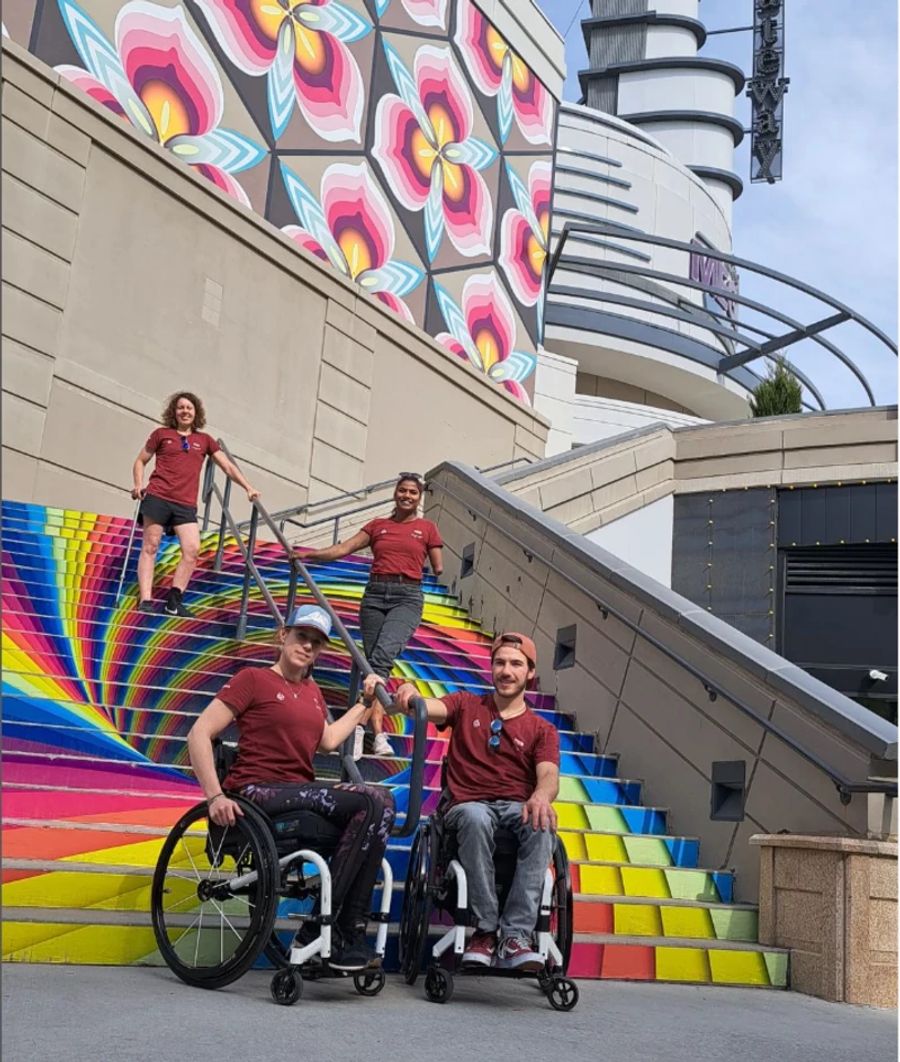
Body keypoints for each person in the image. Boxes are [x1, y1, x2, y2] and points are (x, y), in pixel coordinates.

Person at [186, 604, 394, 972]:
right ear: (283, 636)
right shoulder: (253, 679)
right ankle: (323, 928)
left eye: (316, 642)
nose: (308, 646)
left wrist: (365, 703)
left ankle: (346, 929)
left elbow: (328, 741)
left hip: (298, 793)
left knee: (382, 802)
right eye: (302, 637)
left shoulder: (312, 692)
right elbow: (199, 733)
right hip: (256, 791)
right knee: (370, 799)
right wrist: (215, 796)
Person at [392, 632, 559, 972]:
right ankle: (485, 929)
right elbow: (428, 709)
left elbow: (549, 775)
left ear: (530, 673)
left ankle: (515, 935)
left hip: (514, 807)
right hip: (467, 806)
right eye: (500, 662)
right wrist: (409, 695)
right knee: (476, 816)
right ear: (491, 667)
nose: (506, 671)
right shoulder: (467, 704)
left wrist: (541, 795)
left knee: (542, 823)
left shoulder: (542, 729)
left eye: (516, 664)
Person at [303, 474, 443, 757]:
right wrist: (308, 556)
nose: (406, 496)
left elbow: (438, 567)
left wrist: (418, 553)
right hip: (375, 595)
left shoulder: (427, 528)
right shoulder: (378, 525)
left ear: (419, 498)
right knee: (375, 668)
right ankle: (378, 736)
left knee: (380, 659)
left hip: (407, 595)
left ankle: (355, 729)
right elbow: (344, 548)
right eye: (402, 491)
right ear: (394, 494)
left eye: (413, 493)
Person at [131, 391, 259, 616]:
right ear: (174, 411)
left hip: (185, 504)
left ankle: (174, 601)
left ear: (196, 412)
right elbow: (141, 460)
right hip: (158, 496)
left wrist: (248, 487)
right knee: (150, 546)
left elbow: (227, 466)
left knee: (192, 549)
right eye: (180, 407)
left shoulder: (205, 440)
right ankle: (146, 600)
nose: (185, 411)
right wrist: (138, 484)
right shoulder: (161, 434)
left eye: (189, 408)